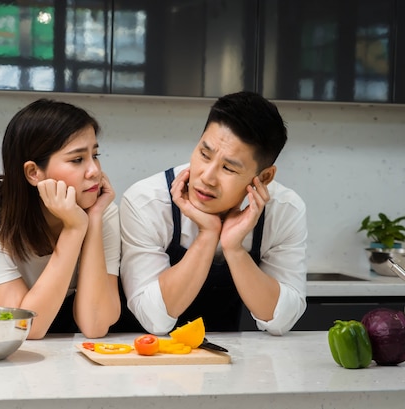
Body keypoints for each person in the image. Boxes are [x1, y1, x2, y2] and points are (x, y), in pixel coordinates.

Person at [119, 91, 307, 336]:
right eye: (204, 154)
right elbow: (154, 319)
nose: (206, 177)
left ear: (265, 177)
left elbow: (281, 320)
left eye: (228, 168)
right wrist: (208, 234)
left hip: (224, 357)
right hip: (141, 357)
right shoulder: (148, 202)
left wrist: (234, 248)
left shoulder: (284, 211)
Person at [0, 99, 121, 339]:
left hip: (48, 315)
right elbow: (24, 327)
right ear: (34, 172)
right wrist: (74, 229)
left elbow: (95, 325)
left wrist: (93, 221)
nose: (94, 170)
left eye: (95, 155)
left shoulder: (102, 210)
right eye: (77, 159)